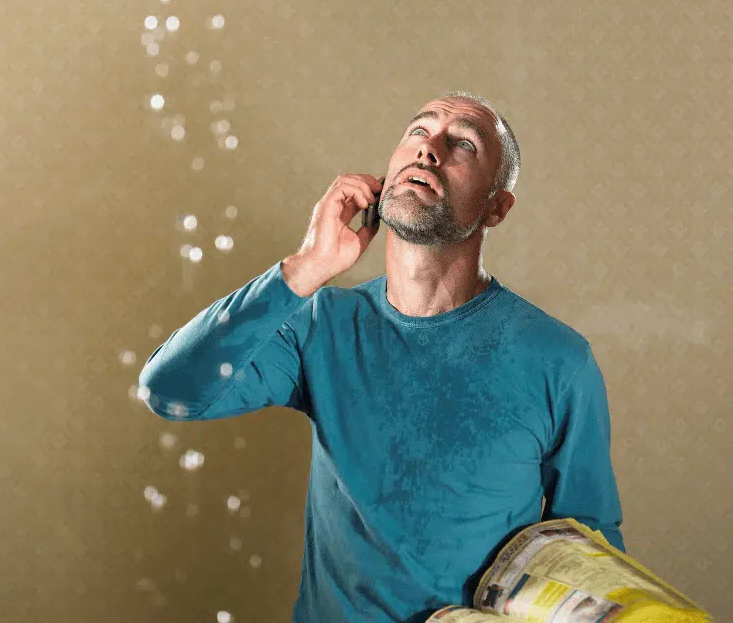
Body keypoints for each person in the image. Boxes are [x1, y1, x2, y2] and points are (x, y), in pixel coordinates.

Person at [139, 91, 625, 623]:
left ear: (496, 207)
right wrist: (306, 267)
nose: (428, 150)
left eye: (462, 143)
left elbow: (592, 554)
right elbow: (171, 393)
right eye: (418, 131)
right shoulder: (319, 323)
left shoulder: (560, 360)